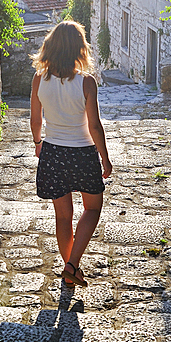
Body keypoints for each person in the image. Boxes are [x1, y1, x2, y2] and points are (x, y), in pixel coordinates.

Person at [30, 21, 112, 287]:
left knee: (63, 217)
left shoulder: (39, 79)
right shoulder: (86, 83)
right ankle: (72, 265)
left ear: (51, 47)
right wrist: (105, 157)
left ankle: (70, 270)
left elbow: (35, 118)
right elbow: (94, 126)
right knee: (93, 208)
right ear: (80, 48)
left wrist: (37, 141)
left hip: (53, 153)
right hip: (82, 154)